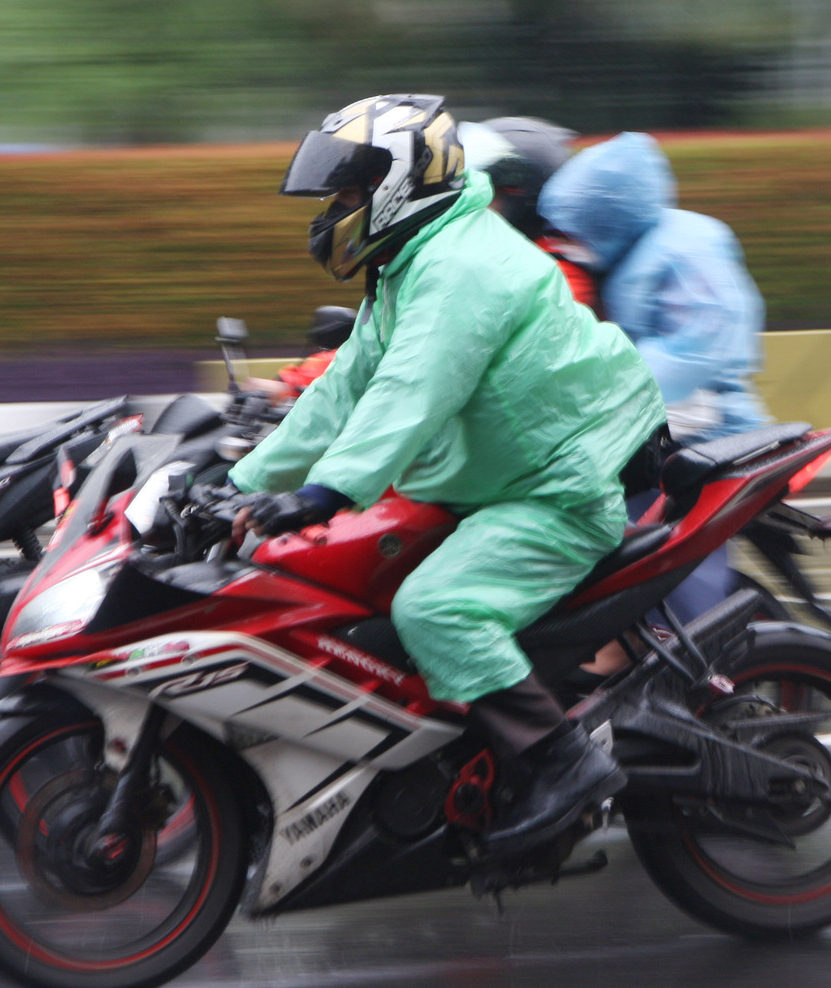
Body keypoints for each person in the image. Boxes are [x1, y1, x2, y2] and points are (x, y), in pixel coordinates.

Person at [227, 94, 667, 855]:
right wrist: (242, 485)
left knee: (436, 609)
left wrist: (324, 495)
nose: (336, 208)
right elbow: (343, 390)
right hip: (499, 479)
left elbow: (412, 393)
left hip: (558, 485)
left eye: (349, 191)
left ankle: (566, 766)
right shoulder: (411, 262)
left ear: (399, 183)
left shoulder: (461, 268)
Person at [539, 131, 770, 650]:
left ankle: (674, 648)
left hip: (706, 430)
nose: (571, 242)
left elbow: (695, 347)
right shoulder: (639, 248)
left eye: (578, 229)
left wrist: (607, 395)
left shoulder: (683, 249)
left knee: (658, 538)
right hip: (664, 418)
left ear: (609, 214)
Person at [459, 116, 599, 308]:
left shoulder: (558, 275)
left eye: (489, 193)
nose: (474, 204)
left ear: (525, 196)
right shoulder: (496, 256)